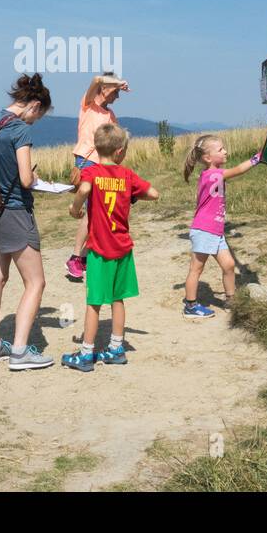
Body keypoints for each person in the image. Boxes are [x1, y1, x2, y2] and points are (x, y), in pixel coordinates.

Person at [61, 124, 157, 371]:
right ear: (120, 152)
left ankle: (85, 353)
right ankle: (116, 348)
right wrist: (132, 195)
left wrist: (75, 209)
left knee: (94, 302)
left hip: (99, 249)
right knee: (117, 299)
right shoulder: (127, 175)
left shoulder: (92, 172)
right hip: (123, 247)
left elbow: (83, 189)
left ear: (97, 148)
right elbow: (154, 193)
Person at [0, 73, 55, 371]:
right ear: (34, 105)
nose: (35, 121)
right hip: (15, 210)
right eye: (38, 116)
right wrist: (36, 178)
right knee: (36, 281)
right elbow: (25, 179)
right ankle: (21, 351)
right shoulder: (20, 131)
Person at [180, 135, 261, 320]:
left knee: (229, 265)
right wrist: (258, 158)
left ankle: (231, 301)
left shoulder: (211, 174)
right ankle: (190, 306)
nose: (225, 151)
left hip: (214, 230)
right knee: (196, 269)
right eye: (220, 150)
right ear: (208, 158)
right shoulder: (213, 175)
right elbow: (239, 169)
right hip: (204, 229)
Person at [64, 73, 129, 281]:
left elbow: (117, 141)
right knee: (94, 212)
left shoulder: (111, 116)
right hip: (87, 161)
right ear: (106, 88)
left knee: (100, 212)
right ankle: (77, 257)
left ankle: (83, 256)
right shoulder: (88, 104)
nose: (118, 96)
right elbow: (96, 79)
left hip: (103, 164)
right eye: (116, 91)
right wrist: (117, 82)